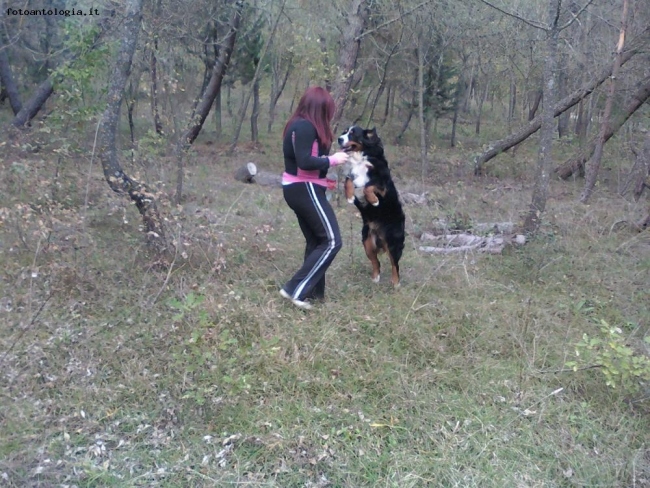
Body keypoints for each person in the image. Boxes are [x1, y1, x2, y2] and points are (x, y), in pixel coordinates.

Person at [279, 87, 349, 310]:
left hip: (303, 186)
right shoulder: (305, 126)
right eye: (328, 109)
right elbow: (304, 161)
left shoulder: (300, 125)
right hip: (302, 188)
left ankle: (313, 294)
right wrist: (333, 160)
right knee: (331, 241)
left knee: (317, 241)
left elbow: (307, 162)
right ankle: (293, 289)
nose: (330, 114)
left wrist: (323, 179)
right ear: (319, 108)